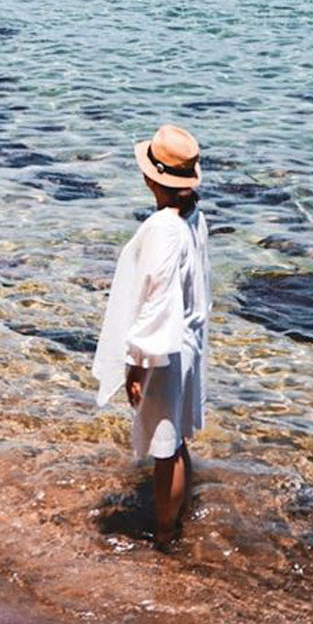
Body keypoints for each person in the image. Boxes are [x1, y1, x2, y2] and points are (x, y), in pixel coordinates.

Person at [91, 124, 211, 550]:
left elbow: (156, 299)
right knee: (175, 438)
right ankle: (181, 514)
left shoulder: (163, 227)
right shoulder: (194, 215)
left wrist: (138, 362)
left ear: (151, 178)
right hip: (187, 341)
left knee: (165, 449)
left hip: (165, 348)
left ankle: (165, 536)